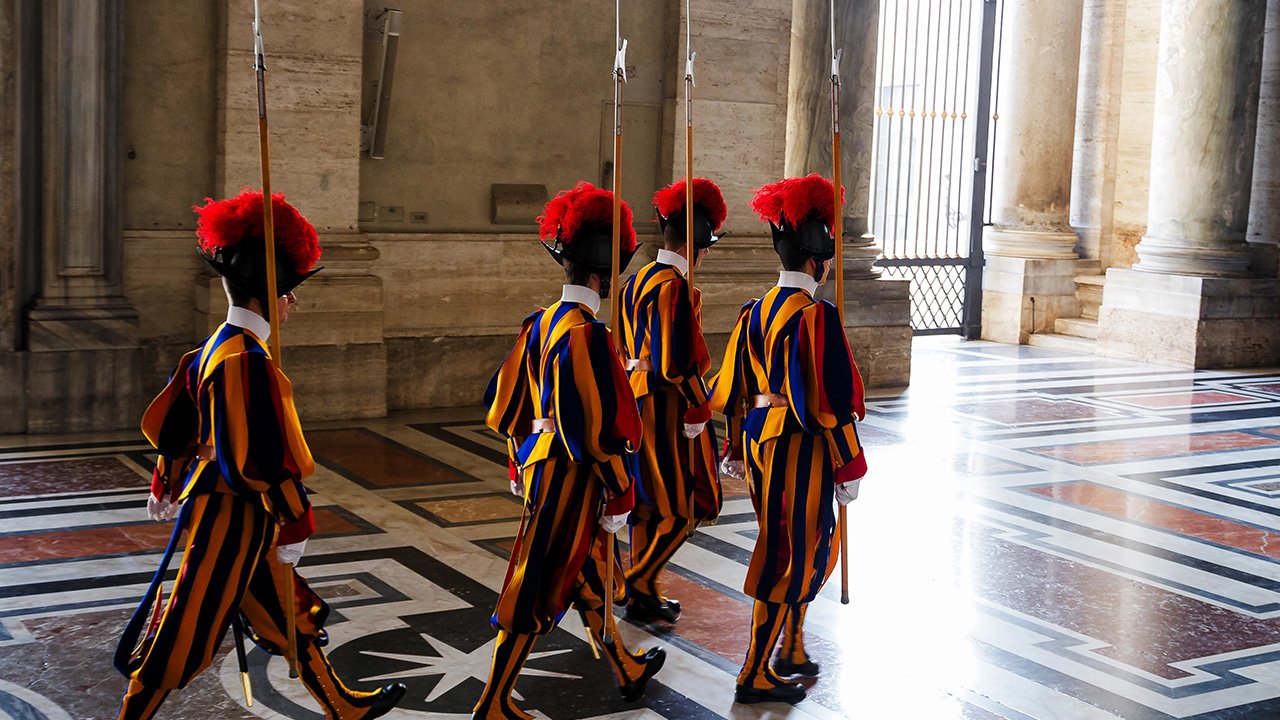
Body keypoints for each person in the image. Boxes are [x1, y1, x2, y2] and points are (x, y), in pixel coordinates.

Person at [114, 191, 406, 719]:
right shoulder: (246, 361)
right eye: (289, 291)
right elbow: (261, 462)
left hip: (232, 510)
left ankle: (340, 705)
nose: (294, 302)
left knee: (285, 611)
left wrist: (166, 479)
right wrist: (298, 520)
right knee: (185, 630)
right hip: (235, 514)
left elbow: (177, 424)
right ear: (269, 294)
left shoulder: (213, 348)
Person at [476, 182, 665, 719]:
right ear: (604, 274)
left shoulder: (540, 321)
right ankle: (492, 703)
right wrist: (621, 490)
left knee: (587, 570)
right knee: (535, 585)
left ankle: (622, 664)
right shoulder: (587, 333)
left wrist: (519, 458)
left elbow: (504, 402)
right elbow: (596, 432)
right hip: (572, 477)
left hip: (542, 465)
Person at [709, 174, 868, 705]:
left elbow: (733, 388)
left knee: (789, 548)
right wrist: (850, 465)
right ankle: (755, 671)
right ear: (818, 262)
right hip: (801, 449)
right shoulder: (815, 315)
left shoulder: (753, 311)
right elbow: (831, 402)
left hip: (760, 445)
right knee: (789, 556)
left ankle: (789, 649)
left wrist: (734, 444)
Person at [617, 177, 724, 623]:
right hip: (665, 406)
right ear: (698, 247)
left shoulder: (633, 281)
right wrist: (700, 405)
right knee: (685, 506)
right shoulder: (676, 287)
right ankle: (639, 580)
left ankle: (646, 595)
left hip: (635, 401)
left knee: (646, 505)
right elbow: (675, 363)